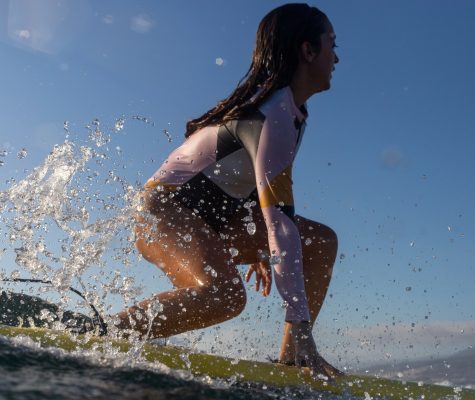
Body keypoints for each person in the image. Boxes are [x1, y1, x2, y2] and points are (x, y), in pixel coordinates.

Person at [116, 3, 340, 378]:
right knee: (225, 296)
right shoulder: (272, 115)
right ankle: (106, 334)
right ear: (308, 50)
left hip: (216, 219)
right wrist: (300, 320)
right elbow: (280, 226)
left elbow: (251, 182)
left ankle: (293, 358)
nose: (337, 57)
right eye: (332, 44)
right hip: (162, 213)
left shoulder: (293, 115)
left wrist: (254, 240)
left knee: (320, 241)